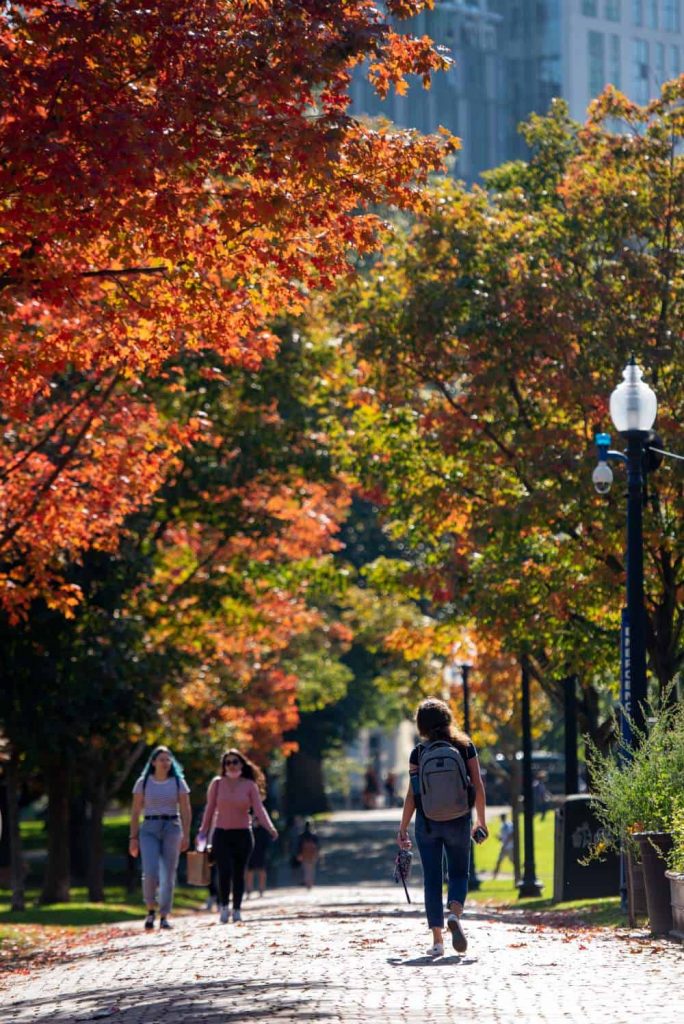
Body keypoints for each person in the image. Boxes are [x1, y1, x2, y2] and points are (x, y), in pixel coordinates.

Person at [397, 697, 488, 957]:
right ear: (447, 719)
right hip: (459, 819)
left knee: (432, 879)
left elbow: (413, 795)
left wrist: (403, 828)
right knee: (459, 873)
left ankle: (437, 940)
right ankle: (455, 914)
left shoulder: (418, 753)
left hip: (427, 822)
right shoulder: (464, 747)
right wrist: (480, 820)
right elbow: (478, 787)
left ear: (421, 726)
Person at [196, 749, 278, 924]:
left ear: (241, 764)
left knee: (239, 873)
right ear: (224, 766)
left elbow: (259, 809)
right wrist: (202, 832)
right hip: (221, 834)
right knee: (224, 871)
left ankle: (237, 909)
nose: (231, 765)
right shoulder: (217, 784)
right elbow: (210, 809)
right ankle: (224, 906)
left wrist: (270, 827)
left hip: (243, 834)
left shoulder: (249, 785)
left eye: (235, 762)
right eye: (228, 762)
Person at [129, 745, 191, 931]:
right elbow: (135, 811)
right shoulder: (143, 782)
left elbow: (186, 809)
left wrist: (186, 835)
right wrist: (133, 838)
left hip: (172, 827)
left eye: (168, 759)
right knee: (150, 871)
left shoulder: (179, 782)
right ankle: (150, 910)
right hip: (149, 828)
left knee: (168, 873)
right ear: (153, 762)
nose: (165, 762)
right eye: (161, 759)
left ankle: (164, 915)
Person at [246, 819, 271, 897]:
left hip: (261, 853)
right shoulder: (249, 830)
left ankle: (261, 889)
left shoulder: (264, 831)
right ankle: (249, 889)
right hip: (251, 853)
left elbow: (267, 843)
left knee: (262, 872)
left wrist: (267, 853)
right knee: (250, 872)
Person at [295, 819, 320, 890]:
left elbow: (299, 846)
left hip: (304, 854)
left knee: (306, 869)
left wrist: (299, 854)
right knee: (312, 869)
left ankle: (307, 882)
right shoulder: (314, 835)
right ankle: (310, 882)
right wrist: (318, 854)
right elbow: (317, 846)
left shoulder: (302, 835)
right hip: (312, 854)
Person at [492, 812, 514, 879]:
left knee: (513, 861)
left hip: (509, 847)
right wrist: (498, 837)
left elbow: (512, 834)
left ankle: (519, 873)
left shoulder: (509, 825)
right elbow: (503, 838)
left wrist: (506, 842)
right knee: (499, 861)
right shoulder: (502, 826)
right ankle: (494, 875)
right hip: (504, 846)